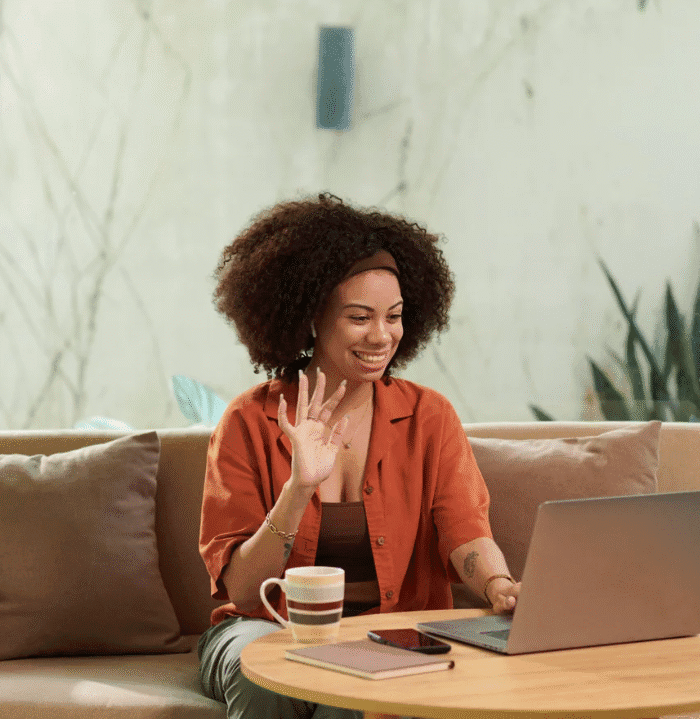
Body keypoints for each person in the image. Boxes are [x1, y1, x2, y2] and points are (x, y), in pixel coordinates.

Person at [198, 193, 521, 719]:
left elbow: (466, 532)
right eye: (359, 317)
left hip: (390, 634)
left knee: (353, 687)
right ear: (309, 319)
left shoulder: (429, 417)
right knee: (268, 672)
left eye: (393, 317)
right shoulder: (247, 422)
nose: (381, 335)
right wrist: (299, 487)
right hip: (263, 629)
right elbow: (245, 591)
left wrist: (499, 584)